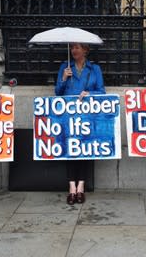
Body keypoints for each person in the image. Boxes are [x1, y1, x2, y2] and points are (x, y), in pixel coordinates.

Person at [55, 43, 105, 205]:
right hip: (68, 116)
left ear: (85, 50)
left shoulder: (94, 69)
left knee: (84, 149)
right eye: (72, 48)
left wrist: (90, 93)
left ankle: (81, 186)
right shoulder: (65, 67)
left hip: (87, 115)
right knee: (70, 148)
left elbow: (102, 91)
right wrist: (63, 78)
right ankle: (71, 187)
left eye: (77, 47)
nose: (74, 50)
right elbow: (58, 92)